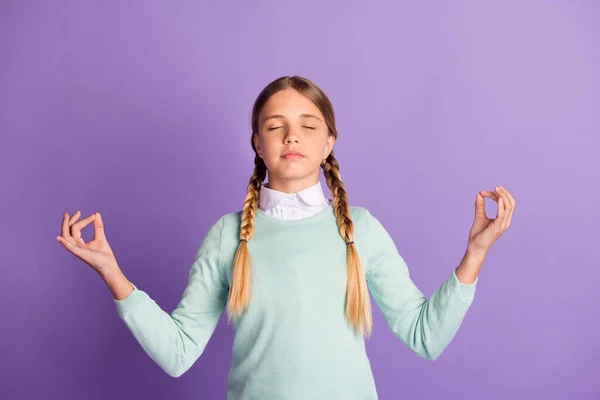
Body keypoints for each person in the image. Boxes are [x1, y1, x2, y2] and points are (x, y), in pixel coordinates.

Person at [56, 75, 516, 399]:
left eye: (308, 125)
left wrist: (474, 253)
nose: (291, 136)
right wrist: (111, 272)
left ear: (329, 141)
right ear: (257, 142)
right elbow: (178, 353)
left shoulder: (360, 228)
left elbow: (424, 336)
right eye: (275, 126)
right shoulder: (228, 236)